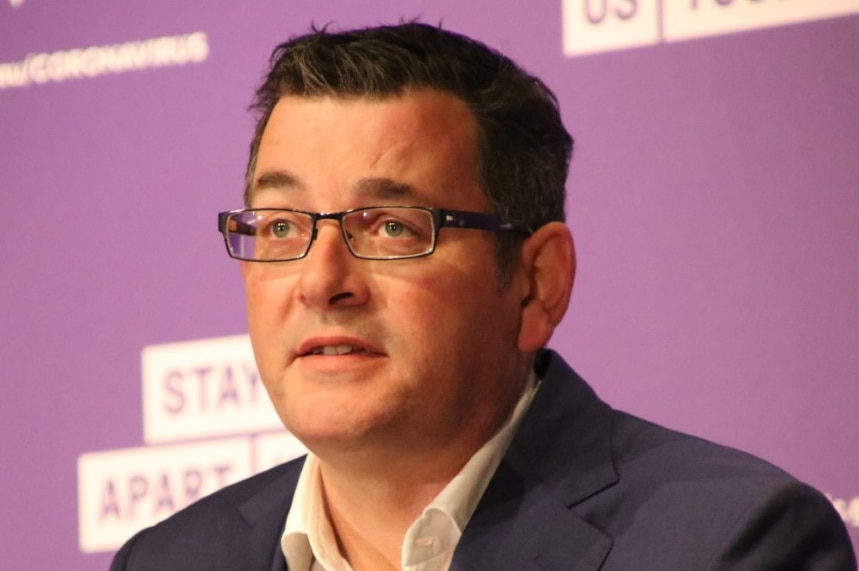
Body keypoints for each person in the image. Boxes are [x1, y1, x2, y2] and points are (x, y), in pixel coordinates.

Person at [111, 22, 856, 570]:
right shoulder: (169, 559)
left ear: (536, 282)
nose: (320, 280)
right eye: (280, 225)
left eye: (393, 227)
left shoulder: (726, 541)